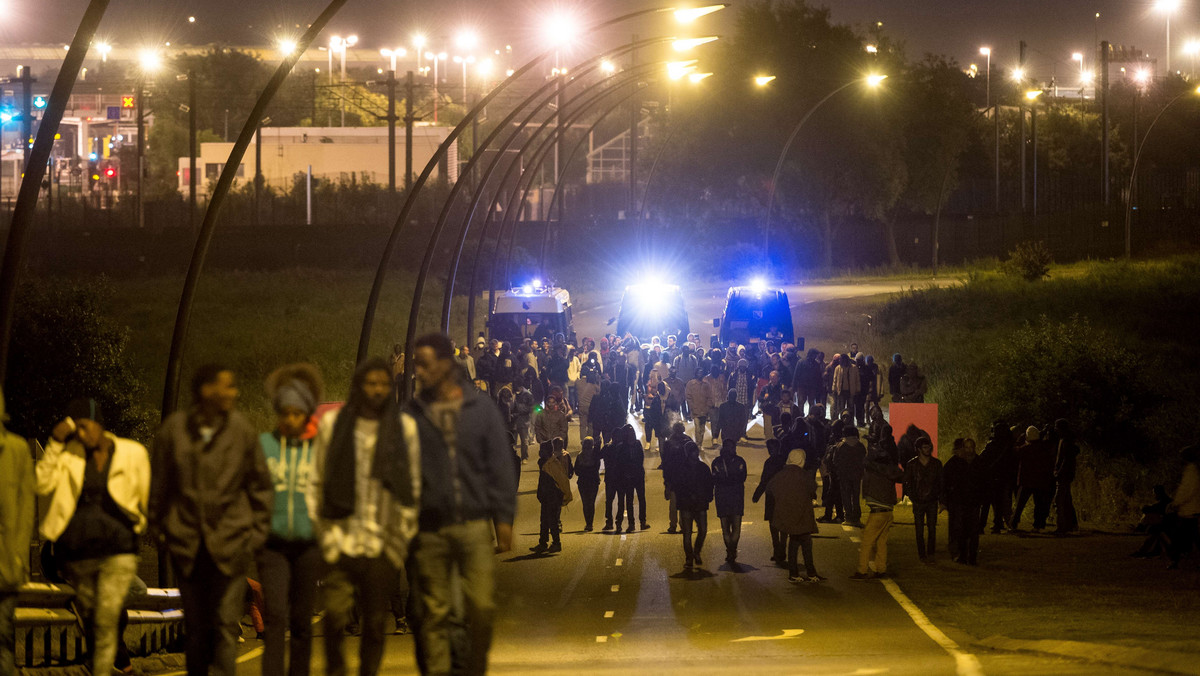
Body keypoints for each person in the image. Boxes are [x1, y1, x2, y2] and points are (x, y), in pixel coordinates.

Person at [407, 333, 518, 676]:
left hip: (473, 525)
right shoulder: (411, 413)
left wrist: (503, 518)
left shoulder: (479, 408)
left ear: (444, 364)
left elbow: (499, 463)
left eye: (424, 364)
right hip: (429, 529)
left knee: (481, 608)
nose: (419, 372)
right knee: (436, 615)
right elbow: (398, 467)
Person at [151, 365, 273, 676]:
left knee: (223, 624)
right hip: (188, 547)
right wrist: (162, 532)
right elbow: (160, 487)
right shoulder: (174, 432)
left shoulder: (241, 432)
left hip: (231, 546)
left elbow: (260, 486)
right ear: (206, 391)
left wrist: (256, 534)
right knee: (197, 629)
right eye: (227, 387)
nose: (233, 393)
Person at [308, 358, 418, 676]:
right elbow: (317, 480)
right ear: (359, 387)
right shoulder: (334, 427)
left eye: (383, 384)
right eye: (370, 384)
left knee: (373, 621)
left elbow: (410, 486)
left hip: (382, 542)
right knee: (336, 616)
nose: (377, 390)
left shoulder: (402, 429)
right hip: (341, 539)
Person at [36, 398, 150, 676]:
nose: (82, 436)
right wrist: (54, 442)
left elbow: (143, 495)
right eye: (76, 431)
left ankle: (114, 664)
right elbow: (41, 483)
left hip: (116, 550)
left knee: (122, 599)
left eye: (85, 427)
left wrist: (139, 529)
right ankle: (120, 665)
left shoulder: (129, 453)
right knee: (104, 613)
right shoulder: (68, 456)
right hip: (77, 551)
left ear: (99, 424)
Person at [258, 365, 325, 676]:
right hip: (271, 546)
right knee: (275, 616)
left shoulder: (318, 450)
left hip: (308, 545)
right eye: (285, 413)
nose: (291, 419)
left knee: (301, 620)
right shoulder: (263, 446)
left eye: (297, 413)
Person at [0, 388, 34, 676]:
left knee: (2, 638)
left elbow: (25, 515)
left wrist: (18, 558)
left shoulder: (17, 450)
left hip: (4, 568)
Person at [767, 450, 824, 582]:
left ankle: (794, 573)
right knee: (806, 543)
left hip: (787, 513)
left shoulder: (781, 475)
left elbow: (770, 489)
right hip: (802, 514)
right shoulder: (803, 475)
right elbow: (812, 488)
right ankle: (810, 572)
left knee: (793, 542)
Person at [851, 443, 903, 580]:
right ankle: (881, 569)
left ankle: (862, 570)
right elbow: (901, 476)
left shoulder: (871, 471)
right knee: (881, 542)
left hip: (877, 511)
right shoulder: (890, 472)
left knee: (867, 542)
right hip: (888, 511)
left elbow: (866, 488)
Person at [942, 438, 985, 565]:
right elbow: (947, 481)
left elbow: (984, 482)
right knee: (961, 530)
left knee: (973, 531)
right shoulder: (956, 463)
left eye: (971, 447)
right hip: (959, 502)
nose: (969, 450)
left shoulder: (978, 463)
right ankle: (962, 555)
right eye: (966, 447)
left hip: (973, 502)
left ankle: (972, 557)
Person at [673, 441, 714, 569]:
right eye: (693, 451)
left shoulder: (703, 468)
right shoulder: (682, 469)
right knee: (687, 533)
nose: (695, 453)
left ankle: (695, 552)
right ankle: (690, 557)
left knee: (702, 530)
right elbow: (678, 486)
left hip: (699, 503)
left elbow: (709, 484)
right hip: (687, 504)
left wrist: (707, 497)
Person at [903, 437, 943, 563]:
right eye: (925, 447)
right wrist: (912, 496)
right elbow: (907, 482)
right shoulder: (912, 464)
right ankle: (922, 554)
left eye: (929, 447)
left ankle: (930, 553)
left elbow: (941, 482)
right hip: (918, 501)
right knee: (919, 529)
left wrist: (939, 498)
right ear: (919, 449)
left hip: (931, 500)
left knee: (932, 528)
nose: (928, 449)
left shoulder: (936, 464)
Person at [1010, 426, 1056, 532]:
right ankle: (1038, 525)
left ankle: (1013, 523)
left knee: (1019, 504)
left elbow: (1015, 452)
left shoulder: (1025, 449)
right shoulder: (1043, 449)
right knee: (1039, 504)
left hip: (1026, 481)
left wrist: (1018, 441)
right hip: (1039, 481)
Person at [751, 439, 789, 564]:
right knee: (782, 524)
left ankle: (777, 550)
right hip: (783, 495)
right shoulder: (784, 461)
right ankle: (781, 550)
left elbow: (765, 480)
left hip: (772, 496)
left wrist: (757, 494)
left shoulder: (770, 462)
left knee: (773, 524)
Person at [531, 439, 573, 553]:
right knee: (544, 521)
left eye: (542, 450)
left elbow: (562, 481)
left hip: (553, 498)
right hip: (546, 498)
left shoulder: (553, 464)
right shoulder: (546, 463)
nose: (540, 452)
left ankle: (556, 543)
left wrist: (564, 496)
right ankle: (543, 543)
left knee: (552, 522)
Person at [711, 439, 748, 563]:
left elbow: (715, 479)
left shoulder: (716, 462)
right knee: (736, 527)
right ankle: (733, 549)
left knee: (725, 528)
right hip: (737, 496)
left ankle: (729, 550)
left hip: (722, 496)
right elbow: (743, 478)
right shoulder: (740, 461)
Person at [978, 421, 1016, 534]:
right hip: (1002, 478)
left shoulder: (992, 445)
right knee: (998, 503)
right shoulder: (1008, 446)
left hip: (990, 477)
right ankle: (997, 525)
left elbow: (981, 458)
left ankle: (981, 526)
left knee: (985, 504)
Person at [1167, 445, 1200, 569]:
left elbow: (1186, 491)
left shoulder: (1191, 472)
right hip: (1191, 510)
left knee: (1178, 537)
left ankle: (1174, 560)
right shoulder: (1192, 471)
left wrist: (1176, 503)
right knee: (1191, 536)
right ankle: (1177, 559)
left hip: (1189, 510)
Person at [832, 427, 867, 528]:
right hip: (857, 475)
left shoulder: (841, 446)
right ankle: (856, 517)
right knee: (856, 497)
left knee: (846, 496)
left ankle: (848, 517)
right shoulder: (860, 446)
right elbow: (864, 459)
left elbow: (835, 461)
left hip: (844, 475)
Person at [660, 422, 691, 534]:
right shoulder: (687, 441)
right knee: (681, 504)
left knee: (675, 505)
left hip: (676, 478)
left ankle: (674, 525)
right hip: (680, 478)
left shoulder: (670, 443)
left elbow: (666, 463)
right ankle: (681, 525)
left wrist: (666, 481)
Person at [1053, 419, 1080, 536]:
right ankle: (1071, 525)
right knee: (1067, 500)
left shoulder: (1065, 441)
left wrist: (1058, 471)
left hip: (1063, 475)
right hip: (1066, 474)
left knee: (1058, 500)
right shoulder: (1065, 440)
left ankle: (1061, 527)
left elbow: (1066, 459)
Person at [575, 437, 602, 531]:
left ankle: (588, 523)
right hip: (592, 481)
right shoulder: (594, 456)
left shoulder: (580, 456)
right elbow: (596, 467)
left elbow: (577, 471)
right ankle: (589, 523)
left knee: (587, 503)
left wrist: (584, 469)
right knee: (590, 503)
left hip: (584, 482)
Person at [684, 370, 712, 447]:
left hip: (704, 410)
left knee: (702, 429)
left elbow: (709, 397)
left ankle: (700, 443)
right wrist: (692, 407)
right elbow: (688, 397)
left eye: (701, 373)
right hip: (695, 410)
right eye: (699, 372)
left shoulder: (706, 384)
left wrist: (707, 408)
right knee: (698, 428)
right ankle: (698, 444)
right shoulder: (691, 384)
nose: (700, 374)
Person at [510, 380, 534, 461]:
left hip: (523, 421)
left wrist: (518, 410)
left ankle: (524, 457)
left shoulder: (527, 394)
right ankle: (513, 458)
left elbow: (530, 408)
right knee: (513, 441)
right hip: (514, 421)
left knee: (524, 441)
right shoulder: (512, 394)